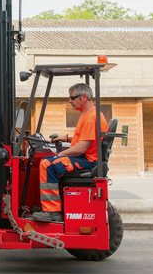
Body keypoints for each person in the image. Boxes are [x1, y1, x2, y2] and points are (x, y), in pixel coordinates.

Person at [31, 83, 108, 223]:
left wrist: (60, 155)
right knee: (49, 161)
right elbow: (86, 138)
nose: (70, 101)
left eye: (72, 98)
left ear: (84, 97)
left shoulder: (91, 118)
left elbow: (81, 148)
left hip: (87, 160)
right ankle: (49, 206)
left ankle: (52, 211)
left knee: (47, 164)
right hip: (87, 157)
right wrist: (65, 138)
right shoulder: (90, 113)